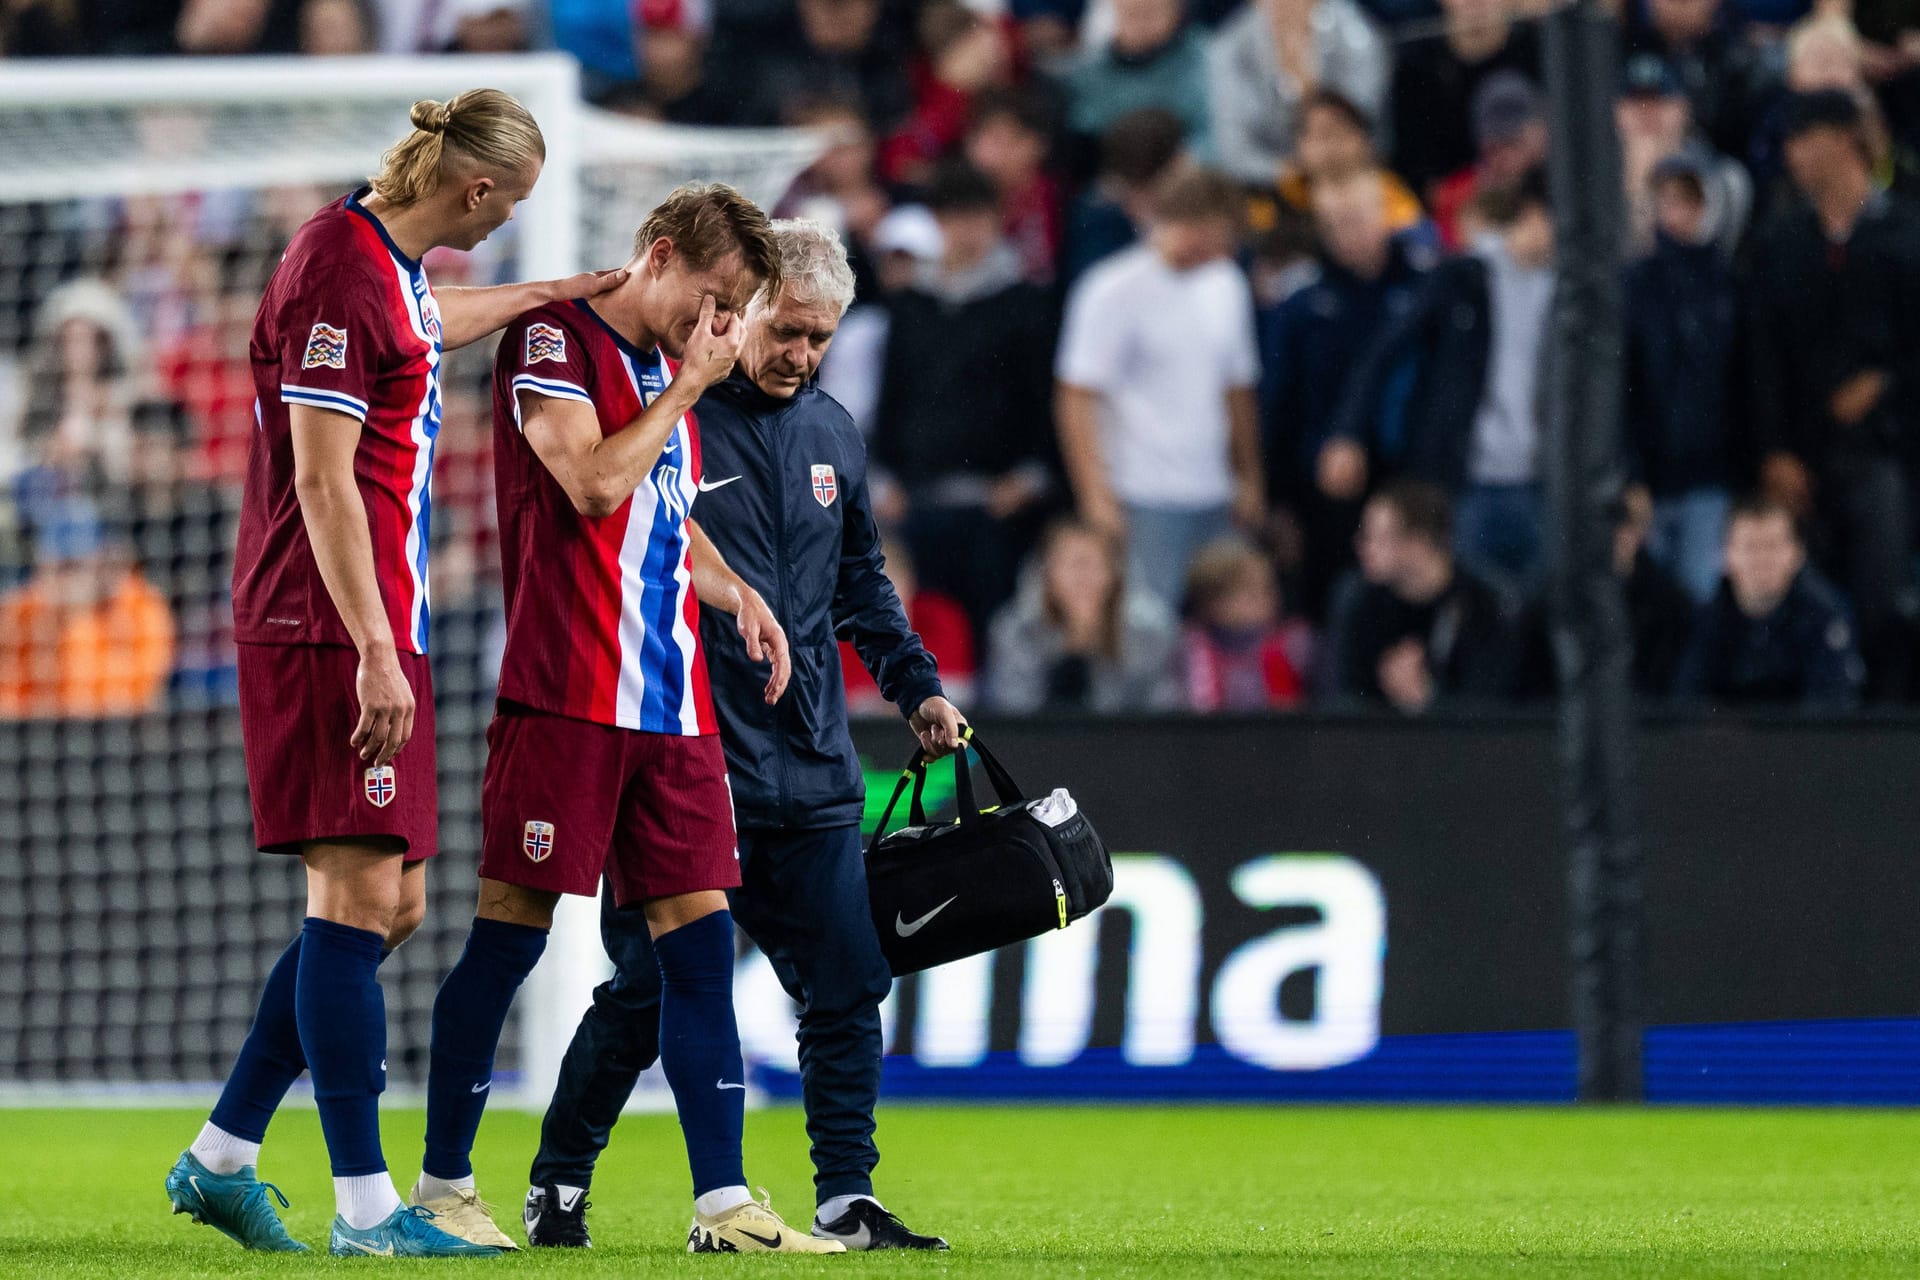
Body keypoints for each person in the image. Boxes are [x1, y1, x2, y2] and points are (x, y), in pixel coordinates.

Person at [163, 90, 626, 1258]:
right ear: (475, 191)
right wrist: (374, 646)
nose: (512, 222)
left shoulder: (381, 260)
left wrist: (547, 294)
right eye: (511, 207)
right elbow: (321, 481)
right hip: (327, 622)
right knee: (356, 899)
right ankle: (369, 1209)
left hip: (377, 619)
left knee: (395, 904)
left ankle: (222, 1157)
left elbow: (424, 321)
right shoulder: (333, 269)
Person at [407, 186, 844, 1256]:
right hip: (565, 699)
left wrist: (737, 591)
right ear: (659, 257)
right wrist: (692, 382)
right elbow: (597, 483)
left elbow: (660, 515)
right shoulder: (556, 341)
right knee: (509, 938)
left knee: (699, 954)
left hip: (673, 705)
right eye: (717, 298)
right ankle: (441, 1185)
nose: (724, 327)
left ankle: (726, 1204)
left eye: (738, 309)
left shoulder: (668, 366)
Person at [521, 220, 964, 1253]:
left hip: (810, 764)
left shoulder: (835, 433)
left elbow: (860, 583)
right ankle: (559, 1182)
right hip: (685, 754)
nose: (801, 354)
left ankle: (845, 1196)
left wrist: (917, 688)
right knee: (646, 990)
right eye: (789, 330)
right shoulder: (668, 415)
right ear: (742, 307)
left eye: (821, 338)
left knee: (850, 981)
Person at [1747, 89, 1920, 697]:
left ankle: (1881, 717)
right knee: (1800, 594)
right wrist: (1773, 450)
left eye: (1803, 137)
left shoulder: (1904, 233)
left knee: (1882, 591)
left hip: (1884, 453)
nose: (1792, 153)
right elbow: (1762, 354)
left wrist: (1887, 384)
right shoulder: (1782, 242)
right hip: (1802, 458)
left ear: (1843, 139)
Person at [1321, 175, 1554, 598]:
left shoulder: (1567, 289)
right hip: (1467, 479)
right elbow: (1384, 353)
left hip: (1539, 480)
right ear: (1536, 216)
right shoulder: (1463, 276)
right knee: (1467, 604)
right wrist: (1347, 430)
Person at [1056, 165, 1264, 610]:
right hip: (1144, 493)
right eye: (1224, 235)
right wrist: (1096, 497)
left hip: (1215, 490)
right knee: (1152, 630)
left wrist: (1248, 476)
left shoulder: (1227, 283)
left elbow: (1237, 389)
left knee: (1227, 625)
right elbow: (1076, 396)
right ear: (1196, 224)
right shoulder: (1111, 289)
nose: (1230, 248)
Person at [872, 160, 1056, 644]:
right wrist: (884, 475)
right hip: (917, 502)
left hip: (997, 507)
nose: (966, 231)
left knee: (992, 632)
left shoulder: (1025, 303)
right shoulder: (910, 304)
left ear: (997, 221)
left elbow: (1041, 399)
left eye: (977, 217)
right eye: (953, 218)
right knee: (922, 634)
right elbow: (893, 396)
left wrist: (1029, 477)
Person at [1262, 168, 1431, 617]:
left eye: (1355, 219)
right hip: (1324, 488)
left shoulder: (1425, 283)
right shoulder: (1302, 303)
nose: (1345, 234)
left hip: (1409, 474)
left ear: (1384, 215)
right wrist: (1278, 501)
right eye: (1333, 223)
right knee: (1331, 599)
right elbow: (1279, 404)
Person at [1624, 152, 1739, 603]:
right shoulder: (1633, 285)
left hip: (1711, 477)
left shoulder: (1731, 284)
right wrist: (1629, 474)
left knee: (1698, 598)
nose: (1679, 214)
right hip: (1649, 481)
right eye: (1668, 201)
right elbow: (1620, 389)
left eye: (1689, 201)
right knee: (1647, 602)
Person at [1325, 481, 1511, 713]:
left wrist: (1430, 700)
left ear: (1419, 543)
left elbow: (1491, 705)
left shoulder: (1484, 603)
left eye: (1379, 537)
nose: (1363, 546)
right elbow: (1346, 698)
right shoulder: (1358, 599)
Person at [1674, 496, 1864, 707]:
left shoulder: (1823, 616)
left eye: (1772, 546)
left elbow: (1834, 708)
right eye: (1751, 547)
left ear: (1797, 553)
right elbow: (1688, 706)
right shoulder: (1705, 619)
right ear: (1726, 555)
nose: (1762, 559)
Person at [987, 518, 1183, 712]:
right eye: (1071, 563)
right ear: (1046, 574)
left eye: (1093, 563)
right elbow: (1014, 713)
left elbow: (1161, 718)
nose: (1082, 577)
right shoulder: (1016, 631)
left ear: (1115, 574)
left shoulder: (1150, 634)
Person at [1207, 0, 1388, 189]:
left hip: (1356, 174)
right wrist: (1293, 177)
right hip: (1275, 188)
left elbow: (1366, 120)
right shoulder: (1231, 48)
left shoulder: (1352, 29)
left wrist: (1306, 83)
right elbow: (1235, 153)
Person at [1388, 0, 1541, 201]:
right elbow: (1416, 171)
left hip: (1535, 199)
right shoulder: (1416, 68)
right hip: (1452, 210)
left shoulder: (1541, 50)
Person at [1063, 0, 1214, 154]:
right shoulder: (1090, 73)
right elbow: (1084, 130)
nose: (1140, 24)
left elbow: (1213, 132)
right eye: (1131, 14)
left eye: (1150, 13)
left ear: (1176, 12)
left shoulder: (1203, 60)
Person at [1181, 536, 1308, 710]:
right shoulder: (1189, 650)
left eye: (1267, 588)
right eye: (1248, 591)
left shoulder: (1295, 647)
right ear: (1212, 601)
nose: (1264, 598)